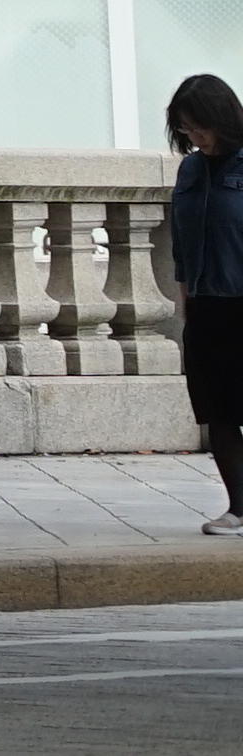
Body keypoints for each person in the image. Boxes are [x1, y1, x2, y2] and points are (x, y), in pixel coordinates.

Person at [173, 73, 243, 538]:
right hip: (205, 304)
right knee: (218, 411)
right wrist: (184, 297)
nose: (195, 139)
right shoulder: (191, 170)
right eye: (186, 130)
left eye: (201, 127)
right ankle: (238, 508)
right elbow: (181, 238)